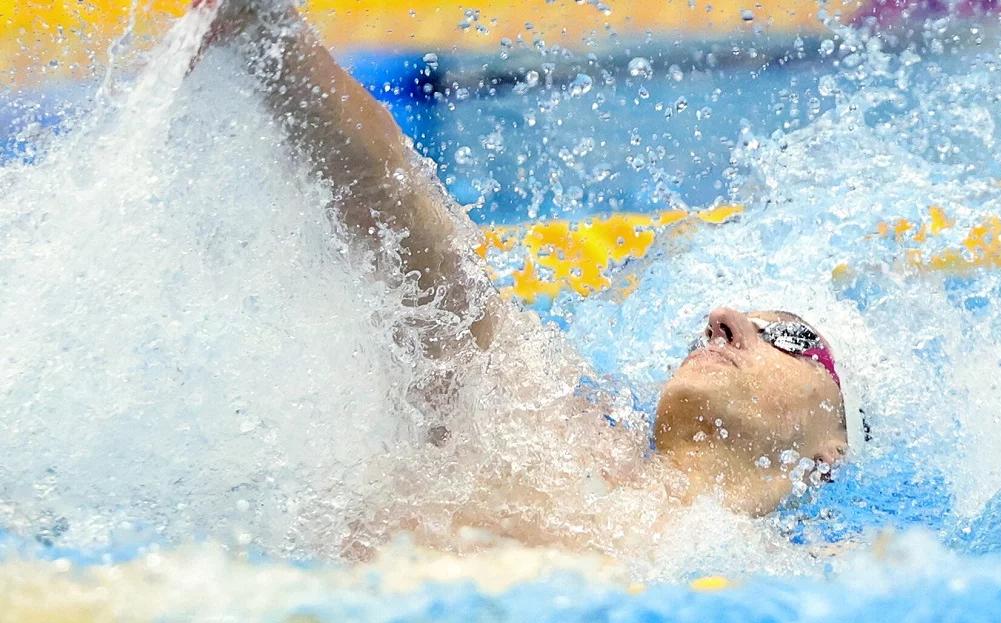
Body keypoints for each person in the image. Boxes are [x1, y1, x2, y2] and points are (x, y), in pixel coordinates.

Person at [190, 0, 849, 545]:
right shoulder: (553, 440)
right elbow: (420, 257)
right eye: (710, 331)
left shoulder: (822, 582)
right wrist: (270, 35)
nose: (722, 321)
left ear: (828, 453)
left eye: (789, 339)